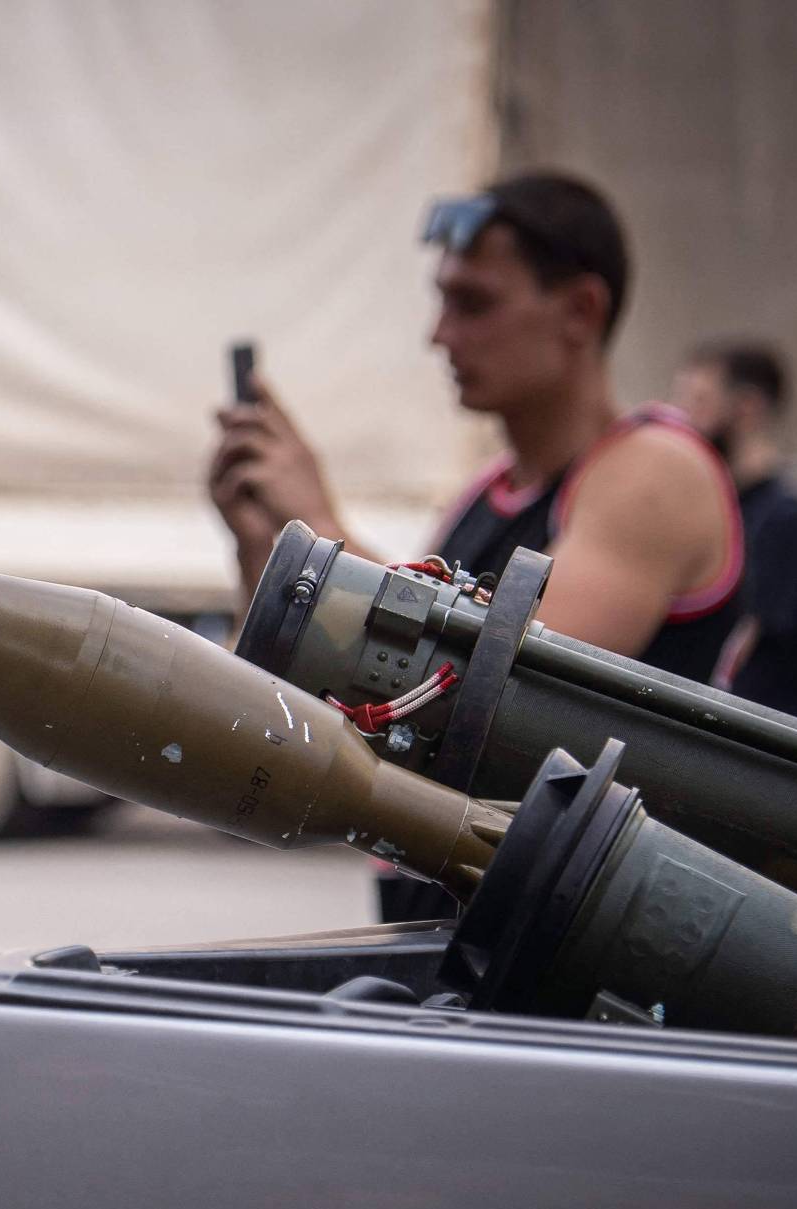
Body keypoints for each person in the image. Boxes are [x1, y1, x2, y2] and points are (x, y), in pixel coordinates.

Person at [208, 171, 743, 919]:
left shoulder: (653, 470)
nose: (439, 334)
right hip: (465, 920)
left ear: (581, 311)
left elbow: (509, 680)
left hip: (581, 938)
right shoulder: (487, 495)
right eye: (442, 299)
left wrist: (318, 523)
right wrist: (263, 546)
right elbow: (305, 709)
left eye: (475, 303)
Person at [670, 341, 797, 722]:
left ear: (748, 408)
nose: (683, 419)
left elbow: (750, 656)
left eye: (699, 401)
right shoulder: (715, 504)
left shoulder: (786, 517)